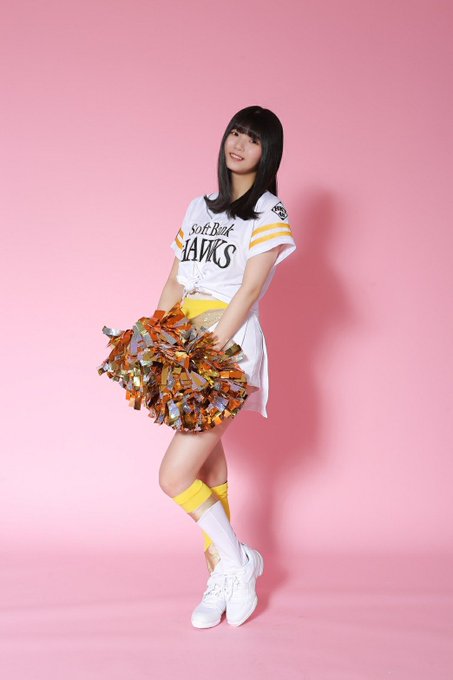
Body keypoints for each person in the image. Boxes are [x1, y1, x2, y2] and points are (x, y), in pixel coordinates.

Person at [155, 105, 297, 628]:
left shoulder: (269, 211)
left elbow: (251, 289)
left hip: (226, 345)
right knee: (209, 468)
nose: (238, 144)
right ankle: (222, 574)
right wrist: (158, 336)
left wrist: (212, 348)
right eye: (235, 133)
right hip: (186, 342)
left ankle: (240, 563)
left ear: (267, 152)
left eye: (252, 139)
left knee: (174, 475)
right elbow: (175, 279)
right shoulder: (199, 207)